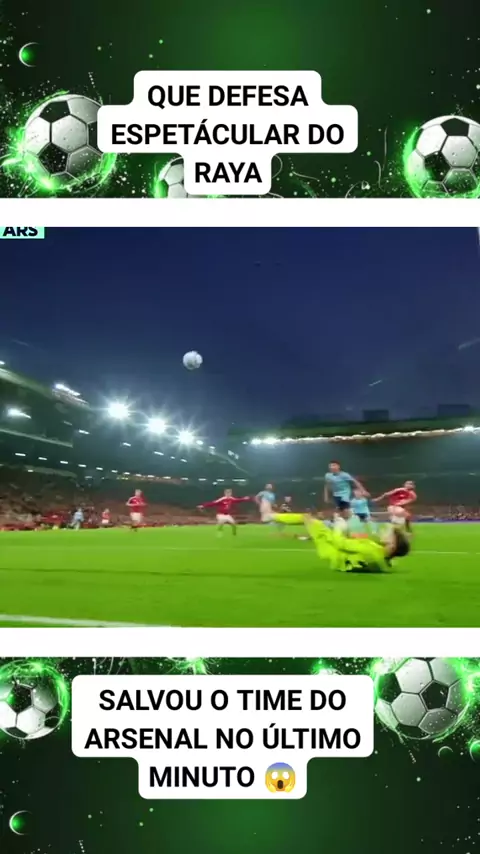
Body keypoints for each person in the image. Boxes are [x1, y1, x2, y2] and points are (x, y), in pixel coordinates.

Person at [272, 511, 410, 572]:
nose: (385, 532)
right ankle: (303, 536)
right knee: (317, 531)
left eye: (389, 535)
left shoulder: (370, 549)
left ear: (392, 546)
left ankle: (272, 516)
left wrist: (339, 527)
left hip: (334, 553)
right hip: (342, 557)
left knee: (307, 518)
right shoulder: (382, 558)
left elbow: (340, 543)